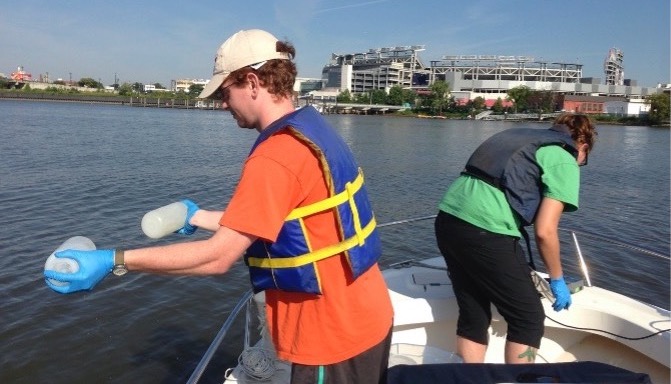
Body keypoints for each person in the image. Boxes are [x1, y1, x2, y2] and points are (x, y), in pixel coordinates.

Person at [45, 29, 394, 384]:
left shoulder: (275, 156)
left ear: (254, 82)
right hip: (369, 314)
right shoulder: (314, 131)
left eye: (225, 93)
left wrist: (114, 260)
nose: (222, 104)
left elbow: (218, 257)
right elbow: (284, 221)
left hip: (329, 339)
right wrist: (196, 216)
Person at [434, 113, 597, 364]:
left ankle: (469, 378)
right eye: (583, 160)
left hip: (448, 221)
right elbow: (545, 230)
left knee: (474, 313)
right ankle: (519, 380)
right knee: (528, 318)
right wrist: (557, 279)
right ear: (583, 147)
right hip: (486, 231)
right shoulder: (564, 158)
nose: (579, 164)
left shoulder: (516, 136)